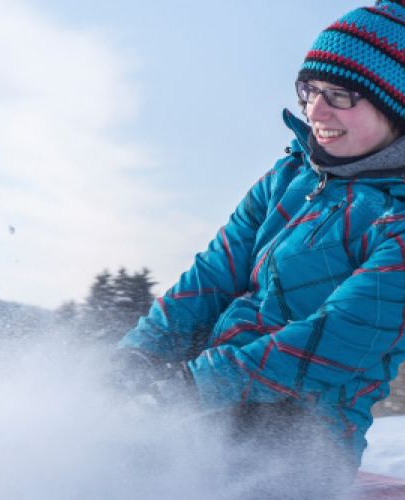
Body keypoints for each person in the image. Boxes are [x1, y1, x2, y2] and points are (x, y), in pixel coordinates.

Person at [115, 1, 405, 497]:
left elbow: (329, 344)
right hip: (208, 399)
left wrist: (190, 388)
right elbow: (211, 277)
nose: (315, 110)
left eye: (341, 94)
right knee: (93, 454)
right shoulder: (287, 177)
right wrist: (137, 356)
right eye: (309, 90)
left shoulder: (396, 222)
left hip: (302, 433)